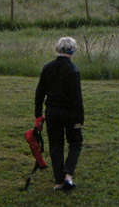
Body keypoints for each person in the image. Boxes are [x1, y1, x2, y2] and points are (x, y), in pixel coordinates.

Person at [34, 36, 84, 191]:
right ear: (73, 50)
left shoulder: (47, 68)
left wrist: (38, 114)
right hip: (69, 113)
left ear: (58, 49)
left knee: (56, 145)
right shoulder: (73, 70)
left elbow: (39, 93)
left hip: (52, 112)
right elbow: (77, 97)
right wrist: (80, 118)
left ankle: (59, 181)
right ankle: (68, 174)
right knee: (75, 142)